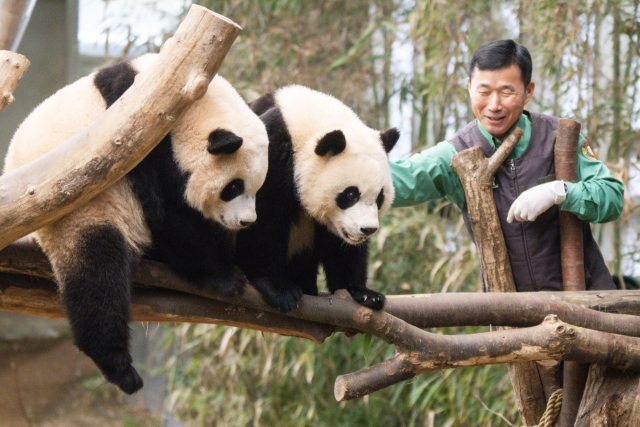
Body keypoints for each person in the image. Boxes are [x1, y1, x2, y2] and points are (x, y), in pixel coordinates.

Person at [390, 39, 624, 292]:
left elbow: (612, 197)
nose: (494, 105)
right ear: (469, 88)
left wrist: (559, 192)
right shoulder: (457, 152)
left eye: (506, 91)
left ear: (528, 91)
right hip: (512, 316)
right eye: (484, 91)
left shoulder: (559, 137)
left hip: (589, 302)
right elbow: (396, 181)